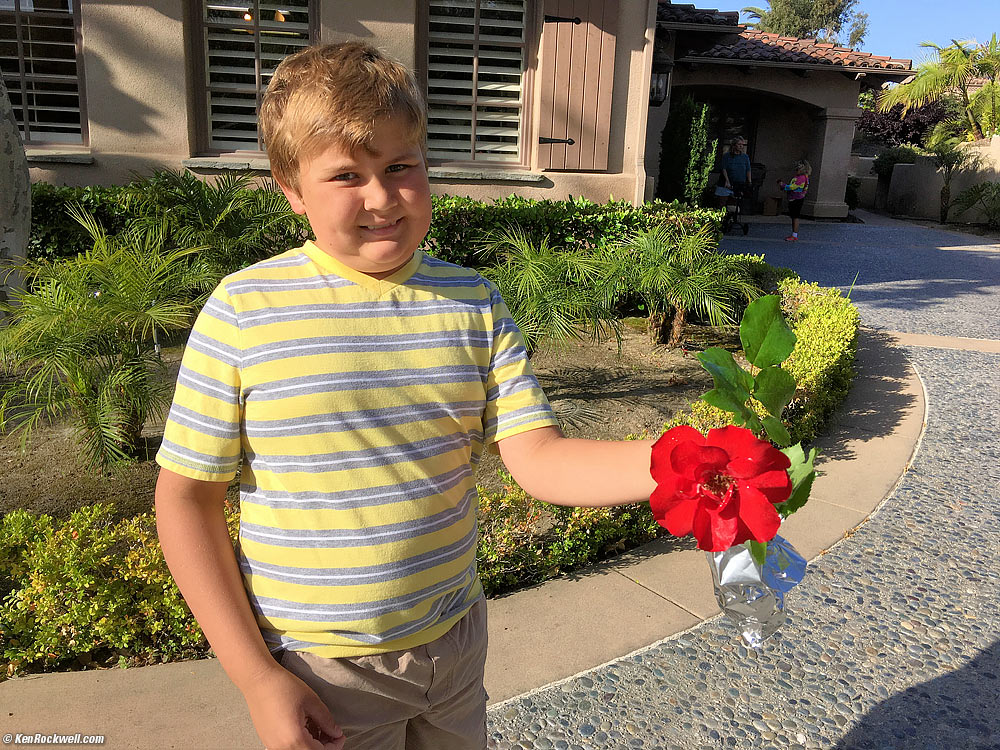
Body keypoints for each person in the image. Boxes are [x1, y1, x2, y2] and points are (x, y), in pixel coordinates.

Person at [154, 42, 658, 750]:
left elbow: (540, 459)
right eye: (345, 176)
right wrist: (257, 678)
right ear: (291, 187)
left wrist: (683, 461)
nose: (382, 197)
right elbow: (185, 500)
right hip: (322, 666)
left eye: (401, 167)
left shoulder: (473, 301)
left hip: (453, 642)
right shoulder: (245, 311)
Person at [777, 160, 811, 242]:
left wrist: (783, 185)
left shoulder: (801, 178)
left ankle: (794, 235)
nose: (795, 171)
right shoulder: (803, 177)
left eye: (797, 169)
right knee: (794, 217)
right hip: (796, 198)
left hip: (796, 199)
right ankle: (794, 234)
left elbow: (793, 187)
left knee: (795, 217)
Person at [720, 136, 752, 204]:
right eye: (739, 144)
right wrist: (727, 180)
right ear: (734, 146)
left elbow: (748, 169)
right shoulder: (727, 156)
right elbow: (724, 169)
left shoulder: (745, 157)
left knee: (736, 202)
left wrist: (749, 181)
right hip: (729, 182)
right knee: (724, 201)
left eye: (742, 145)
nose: (741, 146)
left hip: (740, 183)